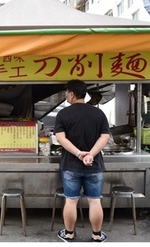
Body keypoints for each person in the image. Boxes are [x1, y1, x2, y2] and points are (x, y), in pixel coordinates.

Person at [54, 79, 111, 242]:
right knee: (94, 201)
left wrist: (79, 154)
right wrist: (90, 155)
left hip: (71, 166)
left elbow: (60, 138)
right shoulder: (98, 113)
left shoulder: (63, 114)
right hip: (94, 165)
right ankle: (97, 235)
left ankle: (69, 234)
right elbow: (105, 137)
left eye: (67, 93)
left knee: (71, 201)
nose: (66, 95)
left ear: (72, 94)